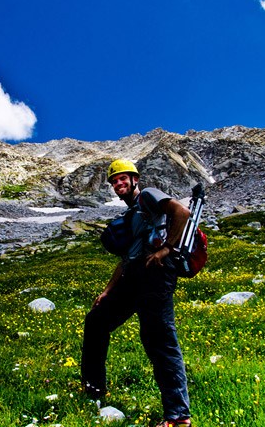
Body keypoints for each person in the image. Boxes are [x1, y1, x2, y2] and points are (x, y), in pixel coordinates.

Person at [81, 159, 192, 427]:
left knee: (159, 340)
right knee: (96, 321)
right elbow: (126, 258)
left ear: (134, 179)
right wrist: (108, 290)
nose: (118, 184)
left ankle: (178, 417)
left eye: (122, 179)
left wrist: (166, 249)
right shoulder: (132, 213)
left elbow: (182, 212)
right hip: (134, 277)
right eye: (114, 181)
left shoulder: (149, 195)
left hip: (156, 275)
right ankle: (93, 389)